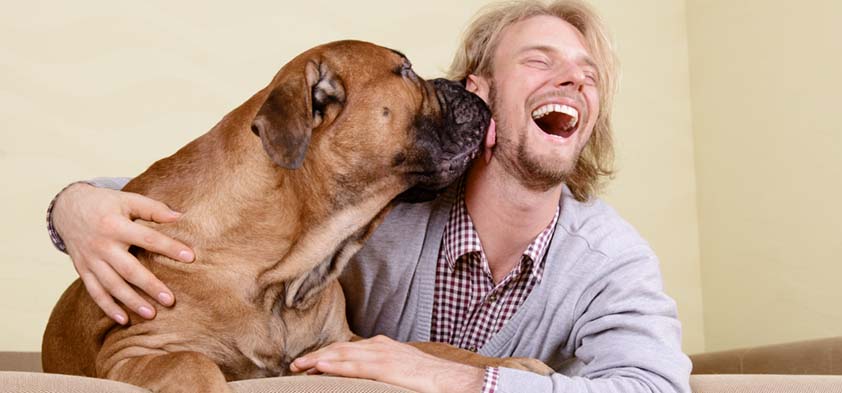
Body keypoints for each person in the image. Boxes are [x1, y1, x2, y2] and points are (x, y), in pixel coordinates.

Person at [47, 1, 692, 392]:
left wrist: (462, 377)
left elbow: (656, 387)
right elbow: (207, 209)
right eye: (539, 61)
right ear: (480, 92)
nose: (573, 81)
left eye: (588, 76)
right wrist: (71, 206)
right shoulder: (372, 208)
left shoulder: (612, 261)